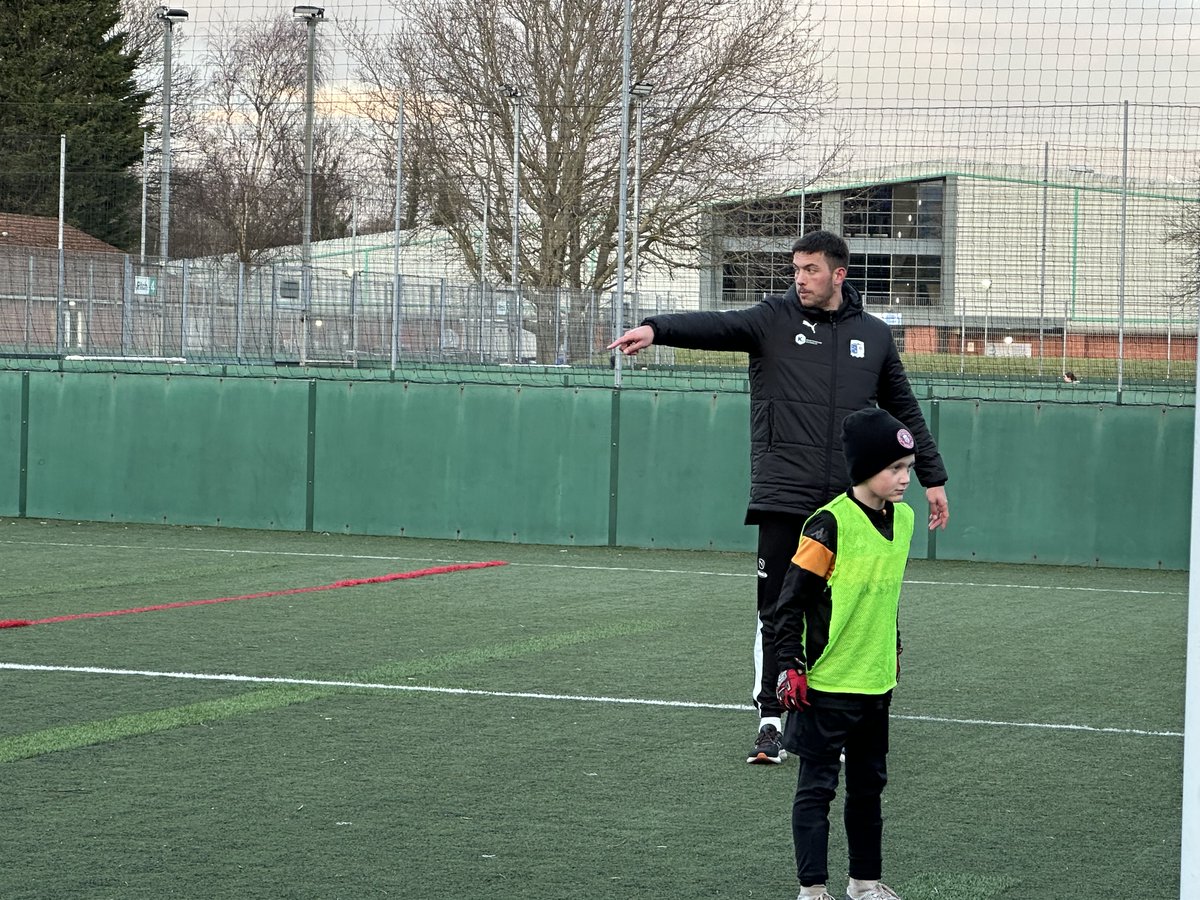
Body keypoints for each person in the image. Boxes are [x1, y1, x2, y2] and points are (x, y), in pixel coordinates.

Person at [607, 230, 948, 766]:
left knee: (830, 610)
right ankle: (769, 719)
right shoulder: (772, 319)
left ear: (839, 274)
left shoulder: (875, 337)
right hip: (784, 495)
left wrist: (933, 476)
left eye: (810, 269)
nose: (799, 278)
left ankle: (818, 719)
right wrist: (656, 328)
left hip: (846, 506)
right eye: (795, 269)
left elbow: (904, 410)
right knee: (775, 610)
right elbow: (714, 327)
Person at [773, 407, 917, 900]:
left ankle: (864, 884)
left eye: (909, 469)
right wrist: (789, 665)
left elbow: (886, 595)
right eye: (894, 469)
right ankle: (812, 891)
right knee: (817, 789)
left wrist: (893, 647)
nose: (903, 480)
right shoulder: (827, 525)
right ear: (864, 468)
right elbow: (789, 603)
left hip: (876, 683)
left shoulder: (906, 520)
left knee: (868, 789)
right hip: (827, 685)